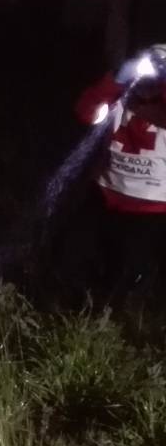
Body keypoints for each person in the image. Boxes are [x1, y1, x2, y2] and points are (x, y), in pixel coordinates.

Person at [75, 45, 166, 303]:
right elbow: (86, 112)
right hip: (106, 195)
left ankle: (121, 318)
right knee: (91, 259)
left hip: (152, 206)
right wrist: (114, 79)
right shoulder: (118, 98)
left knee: (132, 275)